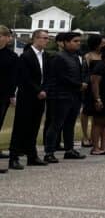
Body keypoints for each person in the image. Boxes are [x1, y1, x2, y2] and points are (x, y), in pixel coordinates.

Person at [9, 29, 50, 169]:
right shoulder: (26, 56)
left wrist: (45, 90)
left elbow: (47, 76)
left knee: (34, 126)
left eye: (47, 38)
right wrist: (38, 90)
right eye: (44, 38)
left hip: (41, 97)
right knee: (20, 127)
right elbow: (24, 77)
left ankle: (32, 156)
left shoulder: (45, 56)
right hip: (27, 96)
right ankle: (14, 157)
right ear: (36, 39)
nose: (46, 41)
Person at [44, 31, 86, 162]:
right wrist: (78, 84)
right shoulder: (59, 57)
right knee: (56, 124)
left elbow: (80, 73)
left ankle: (69, 149)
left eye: (79, 41)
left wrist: (83, 83)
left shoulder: (75, 57)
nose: (78, 44)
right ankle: (49, 152)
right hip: (60, 95)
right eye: (75, 41)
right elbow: (61, 77)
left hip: (74, 95)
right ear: (66, 43)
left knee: (70, 124)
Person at [79, 34, 105, 148]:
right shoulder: (88, 56)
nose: (104, 45)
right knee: (86, 111)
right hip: (90, 86)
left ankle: (94, 136)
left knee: (98, 112)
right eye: (102, 43)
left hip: (103, 86)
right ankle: (85, 136)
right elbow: (84, 72)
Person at [0, 26, 18, 165]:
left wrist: (12, 95)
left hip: (3, 94)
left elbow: (13, 77)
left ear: (7, 38)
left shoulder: (11, 56)